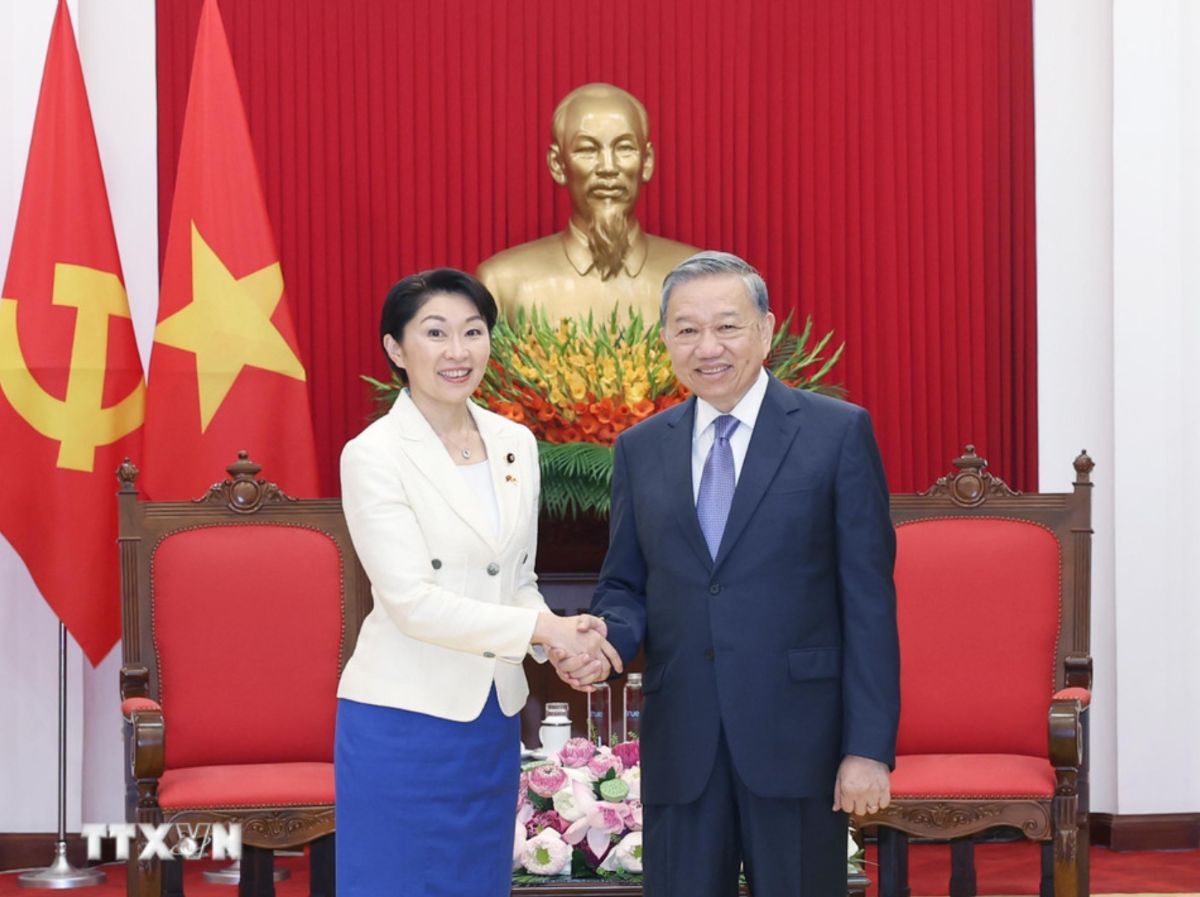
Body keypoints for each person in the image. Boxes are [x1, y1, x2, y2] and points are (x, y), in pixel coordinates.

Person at [552, 251, 901, 895]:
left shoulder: (836, 434)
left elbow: (869, 603)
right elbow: (625, 586)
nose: (706, 347)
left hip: (800, 740)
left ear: (766, 331)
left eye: (727, 326)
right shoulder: (639, 447)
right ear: (665, 340)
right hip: (683, 742)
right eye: (686, 329)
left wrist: (868, 748)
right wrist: (604, 646)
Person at [335, 268, 620, 896]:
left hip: (490, 712)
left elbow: (516, 577)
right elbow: (412, 602)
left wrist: (556, 643)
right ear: (395, 348)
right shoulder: (374, 454)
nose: (457, 351)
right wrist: (542, 628)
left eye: (473, 331)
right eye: (434, 333)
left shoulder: (513, 441)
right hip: (404, 718)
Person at [476, 83, 698, 324]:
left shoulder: (700, 280)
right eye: (587, 150)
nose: (608, 168)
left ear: (646, 162)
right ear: (557, 164)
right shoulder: (503, 285)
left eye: (624, 148)